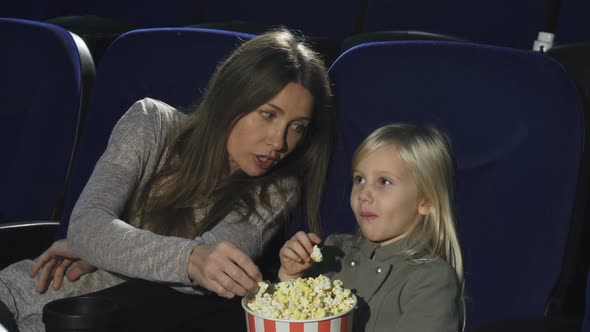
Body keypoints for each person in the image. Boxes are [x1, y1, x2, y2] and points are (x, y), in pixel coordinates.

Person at [0, 28, 335, 332]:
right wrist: (188, 259)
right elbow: (87, 226)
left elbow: (212, 274)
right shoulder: (150, 124)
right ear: (232, 97)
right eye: (268, 114)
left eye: (297, 126)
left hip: (107, 319)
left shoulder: (277, 188)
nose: (279, 142)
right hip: (17, 297)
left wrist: (110, 247)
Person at [278, 124, 464, 332]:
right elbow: (291, 320)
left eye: (384, 181)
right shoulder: (334, 250)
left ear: (426, 201)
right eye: (360, 179)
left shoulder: (430, 280)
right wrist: (291, 277)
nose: (364, 194)